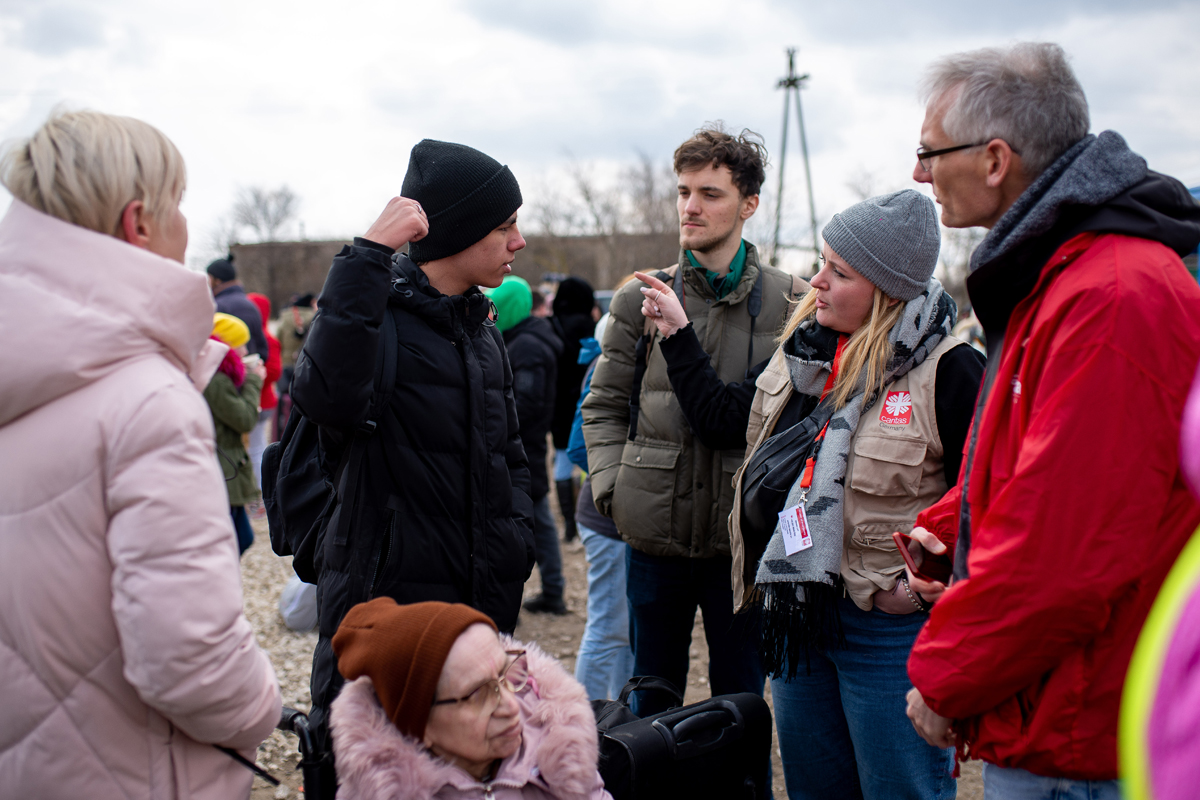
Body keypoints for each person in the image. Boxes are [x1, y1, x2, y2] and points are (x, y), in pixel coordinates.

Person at [902, 43, 1200, 797]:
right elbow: (1043, 475)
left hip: (1084, 731)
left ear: (995, 159)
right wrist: (955, 524)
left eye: (929, 152)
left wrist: (945, 679)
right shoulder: (1067, 279)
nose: (919, 173)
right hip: (1065, 708)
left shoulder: (1112, 295)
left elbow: (1068, 549)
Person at [638, 189, 983, 799]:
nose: (817, 282)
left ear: (887, 289)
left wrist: (917, 586)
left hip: (884, 631)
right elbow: (722, 420)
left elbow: (987, 492)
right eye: (822, 262)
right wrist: (679, 334)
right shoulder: (804, 354)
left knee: (897, 790)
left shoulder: (950, 370)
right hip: (796, 615)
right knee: (815, 788)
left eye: (838, 272)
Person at [0, 109, 280, 797]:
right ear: (140, 223)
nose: (186, 226)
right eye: (177, 205)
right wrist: (264, 710)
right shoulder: (146, 401)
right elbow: (190, 662)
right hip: (134, 769)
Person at [290, 138, 536, 754]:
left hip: (481, 614)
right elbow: (323, 395)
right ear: (460, 232)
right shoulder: (380, 323)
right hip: (390, 624)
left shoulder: (481, 330)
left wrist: (517, 544)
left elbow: (511, 456)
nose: (518, 241)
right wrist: (367, 255)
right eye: (505, 225)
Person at [581, 124, 799, 716]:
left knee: (741, 706)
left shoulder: (791, 302)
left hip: (743, 546)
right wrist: (613, 489)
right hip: (654, 540)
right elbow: (600, 405)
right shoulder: (639, 298)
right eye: (683, 192)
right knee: (650, 707)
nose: (691, 207)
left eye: (710, 193)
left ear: (749, 204)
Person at [330, 598, 612, 799]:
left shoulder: (557, 743)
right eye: (479, 694)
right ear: (420, 726)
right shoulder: (382, 790)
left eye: (506, 672)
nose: (512, 707)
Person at [484, 275, 568, 616]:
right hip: (522, 444)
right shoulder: (521, 339)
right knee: (537, 516)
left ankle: (551, 590)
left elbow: (527, 404)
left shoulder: (527, 345)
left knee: (535, 517)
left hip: (522, 447)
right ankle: (551, 589)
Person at [566, 311, 636, 701]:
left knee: (624, 633)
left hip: (619, 521)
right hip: (606, 519)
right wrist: (624, 489)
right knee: (607, 628)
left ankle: (619, 721)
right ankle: (582, 723)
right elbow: (579, 445)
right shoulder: (604, 367)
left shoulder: (606, 362)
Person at [205, 312, 267, 555]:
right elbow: (244, 419)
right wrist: (253, 382)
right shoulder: (217, 380)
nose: (244, 351)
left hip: (225, 467)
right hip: (225, 470)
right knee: (238, 538)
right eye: (240, 344)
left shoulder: (217, 375)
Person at [550, 276, 596, 543]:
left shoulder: (551, 327)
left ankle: (569, 525)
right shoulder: (591, 328)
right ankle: (586, 517)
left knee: (561, 462)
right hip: (585, 404)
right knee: (586, 460)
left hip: (558, 406)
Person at [247, 292, 282, 487]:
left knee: (257, 447)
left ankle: (260, 488)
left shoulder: (267, 339)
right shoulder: (265, 337)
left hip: (261, 400)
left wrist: (252, 377)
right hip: (260, 399)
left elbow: (274, 371)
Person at [207, 255, 268, 360]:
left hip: (230, 371)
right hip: (250, 367)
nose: (207, 282)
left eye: (209, 277)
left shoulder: (217, 306)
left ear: (217, 280)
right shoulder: (251, 305)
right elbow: (262, 347)